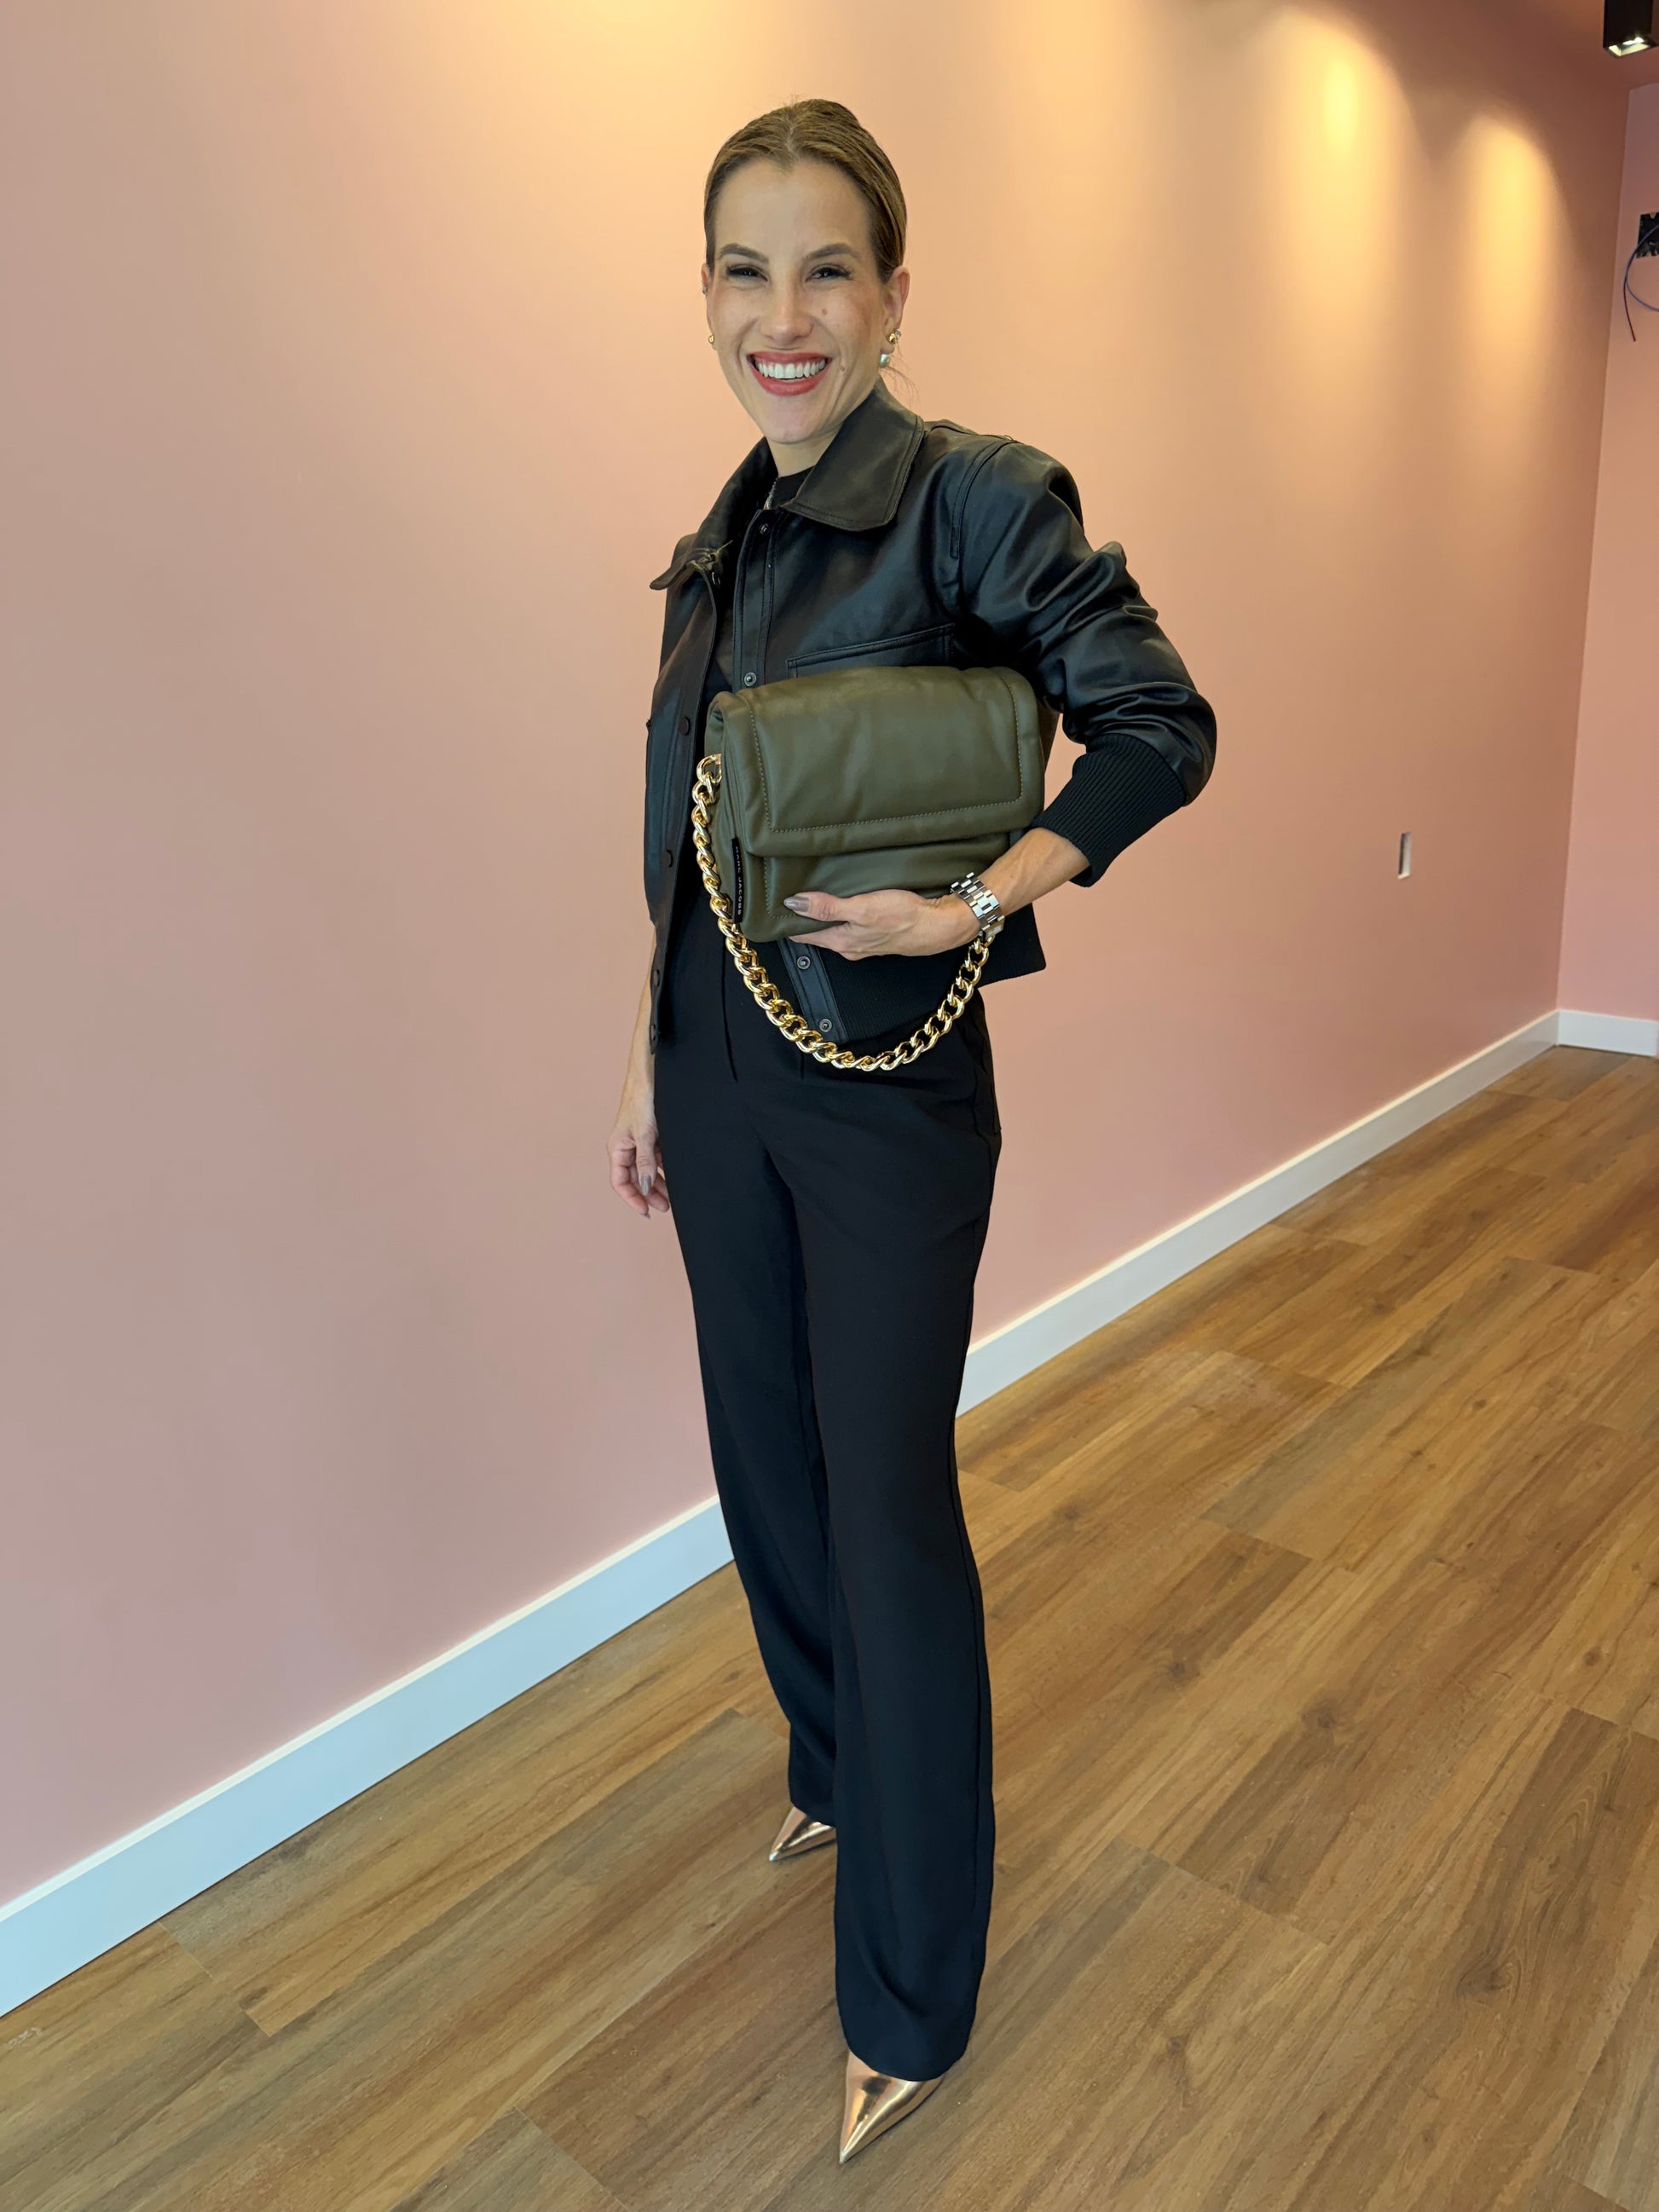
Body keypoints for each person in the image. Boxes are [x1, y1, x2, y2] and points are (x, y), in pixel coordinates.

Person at [608, 98, 1217, 2165]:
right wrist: (645, 1051)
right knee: (760, 1460)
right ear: (707, 293)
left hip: (882, 1085)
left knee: (880, 1500)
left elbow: (1158, 721)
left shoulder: (971, 499)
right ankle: (833, 1762)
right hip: (713, 1051)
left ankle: (912, 1986)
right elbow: (691, 830)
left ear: (889, 295)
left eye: (824, 270)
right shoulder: (719, 538)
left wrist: (978, 897)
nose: (780, 316)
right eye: (743, 270)